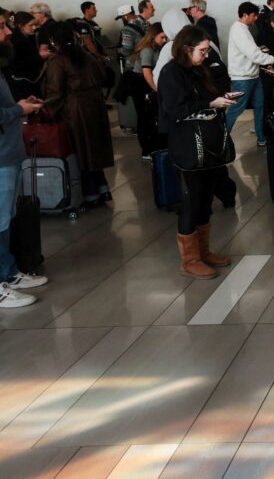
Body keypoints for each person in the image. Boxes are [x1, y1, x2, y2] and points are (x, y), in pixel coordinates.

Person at [157, 25, 236, 279]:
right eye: (202, 50)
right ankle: (189, 259)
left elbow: (204, 97)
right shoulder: (171, 73)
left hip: (207, 146)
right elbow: (175, 109)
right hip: (187, 147)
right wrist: (210, 103)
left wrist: (221, 97)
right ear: (186, 49)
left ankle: (203, 251)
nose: (206, 55)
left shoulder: (196, 70)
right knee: (190, 201)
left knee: (205, 198)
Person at [0, 16, 47, 309]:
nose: (8, 32)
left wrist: (19, 106)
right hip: (1, 156)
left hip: (8, 152)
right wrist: (18, 109)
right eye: (2, 26)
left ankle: (8, 273)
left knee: (5, 219)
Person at [42, 22, 115, 206]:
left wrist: (45, 110)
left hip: (75, 109)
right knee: (94, 150)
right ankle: (102, 189)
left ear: (53, 40)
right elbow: (103, 76)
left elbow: (55, 91)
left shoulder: (58, 60)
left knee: (80, 151)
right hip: (96, 105)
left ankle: (89, 193)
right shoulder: (87, 55)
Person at [225, 2, 274, 146]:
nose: (256, 18)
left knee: (260, 106)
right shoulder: (239, 30)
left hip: (252, 76)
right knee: (236, 109)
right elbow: (254, 55)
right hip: (242, 78)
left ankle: (261, 138)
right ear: (245, 15)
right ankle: (221, 140)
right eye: (254, 15)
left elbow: (253, 52)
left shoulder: (244, 28)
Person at [128, 23, 168, 158]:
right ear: (153, 35)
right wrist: (156, 90)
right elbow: (146, 73)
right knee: (144, 117)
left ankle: (153, 146)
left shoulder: (156, 48)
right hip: (140, 83)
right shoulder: (147, 50)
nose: (164, 40)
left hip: (146, 82)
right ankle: (146, 149)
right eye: (162, 37)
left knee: (150, 116)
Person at [8, 11, 44, 100]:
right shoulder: (15, 41)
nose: (34, 27)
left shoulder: (30, 37)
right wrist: (39, 56)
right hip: (23, 82)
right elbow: (18, 64)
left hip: (32, 78)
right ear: (21, 26)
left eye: (35, 25)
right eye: (31, 25)